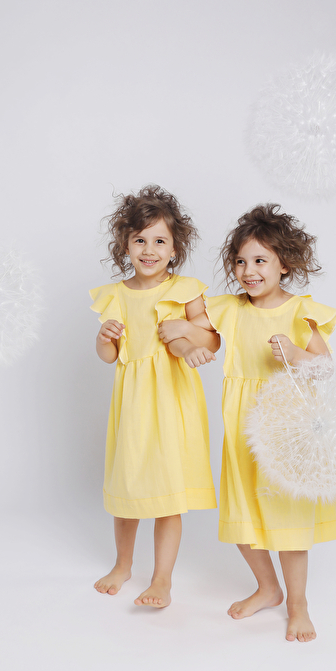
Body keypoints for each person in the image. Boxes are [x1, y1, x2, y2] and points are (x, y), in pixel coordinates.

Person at [158, 203, 336, 640]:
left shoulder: (299, 312)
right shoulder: (230, 308)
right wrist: (183, 333)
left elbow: (326, 368)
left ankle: (298, 605)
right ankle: (267, 588)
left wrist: (296, 355)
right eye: (241, 262)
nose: (248, 271)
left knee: (288, 519)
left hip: (287, 429)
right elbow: (193, 325)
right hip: (243, 427)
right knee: (241, 514)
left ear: (285, 264)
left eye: (260, 260)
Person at [90, 185, 219, 609]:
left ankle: (162, 579)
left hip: (172, 402)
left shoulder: (186, 289)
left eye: (160, 241)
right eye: (140, 240)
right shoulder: (116, 295)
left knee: (168, 493)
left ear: (175, 248)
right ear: (125, 245)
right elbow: (110, 356)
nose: (149, 250)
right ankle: (123, 564)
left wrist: (187, 335)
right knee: (127, 486)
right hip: (133, 404)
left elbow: (211, 336)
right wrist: (104, 337)